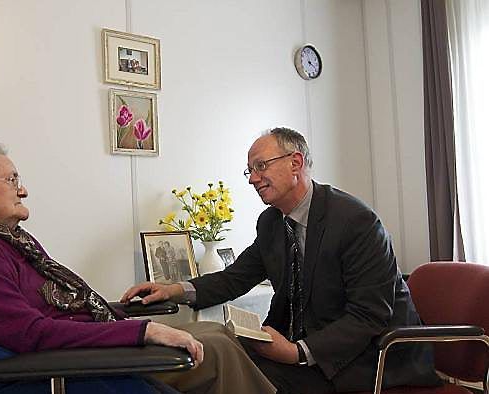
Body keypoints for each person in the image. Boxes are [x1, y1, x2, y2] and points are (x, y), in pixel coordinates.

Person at [0, 136, 275, 394]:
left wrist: (133, 321)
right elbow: (29, 333)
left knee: (216, 335)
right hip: (76, 365)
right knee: (215, 348)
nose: (23, 190)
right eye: (11, 180)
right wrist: (144, 331)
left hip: (89, 346)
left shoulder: (6, 239)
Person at [122, 127, 441, 393]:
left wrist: (297, 352)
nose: (252, 178)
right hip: (301, 347)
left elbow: (369, 316)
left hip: (365, 360)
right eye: (251, 170)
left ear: (295, 163)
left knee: (220, 365)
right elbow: (236, 277)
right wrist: (174, 290)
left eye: (261, 166)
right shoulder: (272, 222)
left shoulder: (355, 221)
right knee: (211, 337)